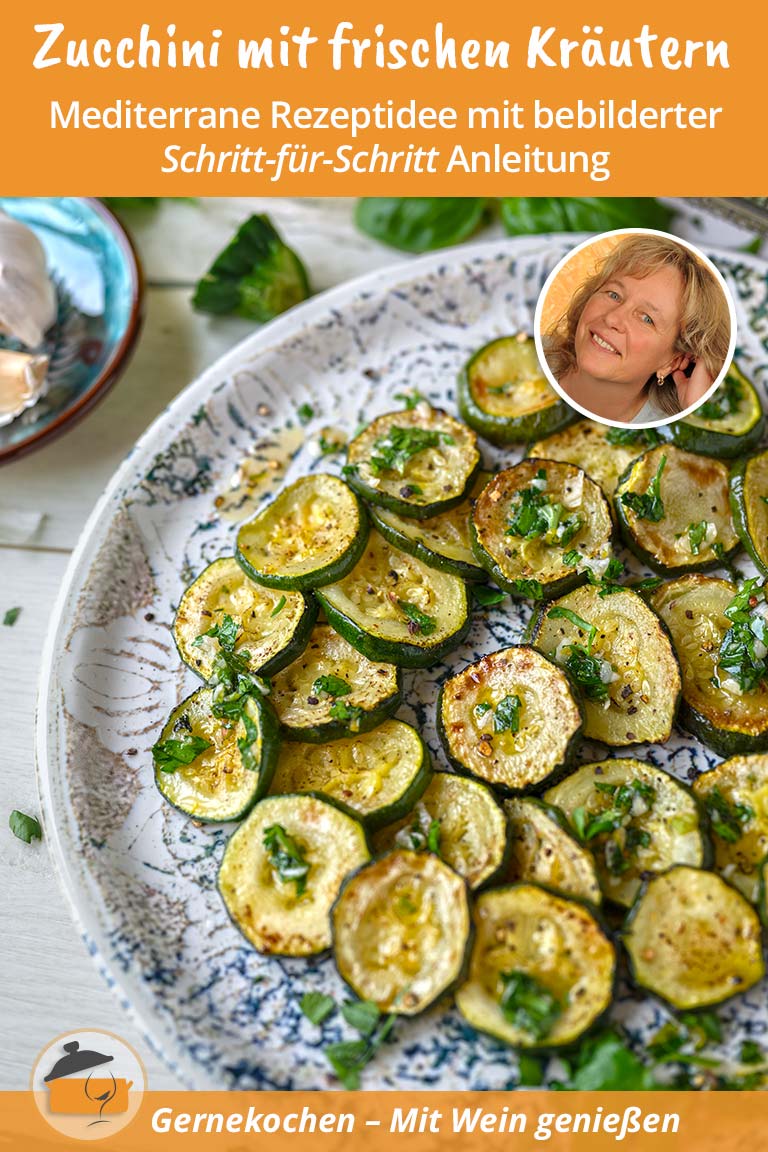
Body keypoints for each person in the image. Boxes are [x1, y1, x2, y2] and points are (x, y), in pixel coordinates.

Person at [544, 234, 731, 423]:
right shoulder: (528, 352)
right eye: (614, 295)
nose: (612, 318)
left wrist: (698, 412)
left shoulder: (666, 436)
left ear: (673, 362)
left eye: (646, 318)